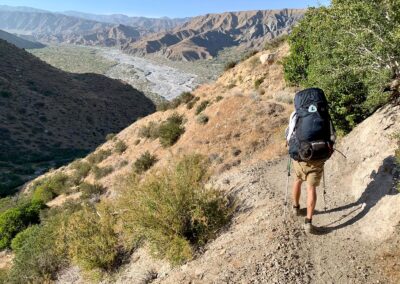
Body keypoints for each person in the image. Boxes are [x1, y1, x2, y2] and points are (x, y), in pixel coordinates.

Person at [286, 88, 336, 234]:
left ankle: (295, 208)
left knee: (297, 180)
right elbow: (332, 135)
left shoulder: (297, 113)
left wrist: (289, 145)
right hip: (319, 157)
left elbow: (290, 133)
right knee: (311, 188)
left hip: (301, 155)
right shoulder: (324, 113)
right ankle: (308, 222)